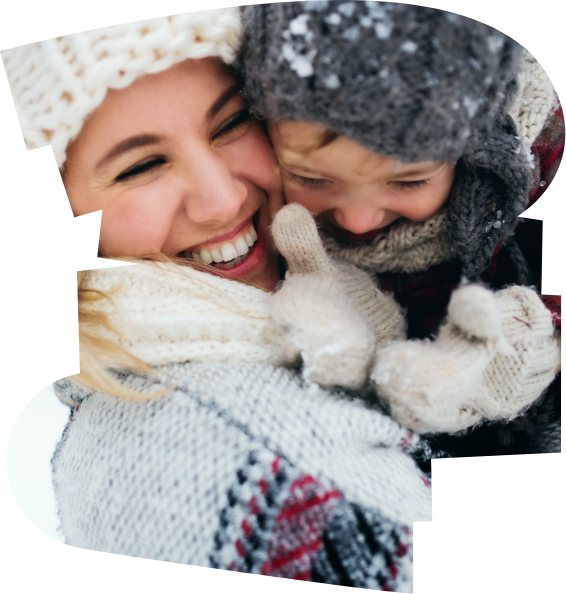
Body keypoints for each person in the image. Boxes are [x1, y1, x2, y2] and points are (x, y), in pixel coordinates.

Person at [1, 10, 432, 588]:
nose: (222, 198)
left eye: (231, 121)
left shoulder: (327, 288)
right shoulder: (243, 456)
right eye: (142, 166)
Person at [235, 1, 563, 456]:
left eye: (409, 181)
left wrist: (540, 337)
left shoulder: (537, 169)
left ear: (476, 153)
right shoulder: (251, 212)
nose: (357, 219)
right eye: (311, 178)